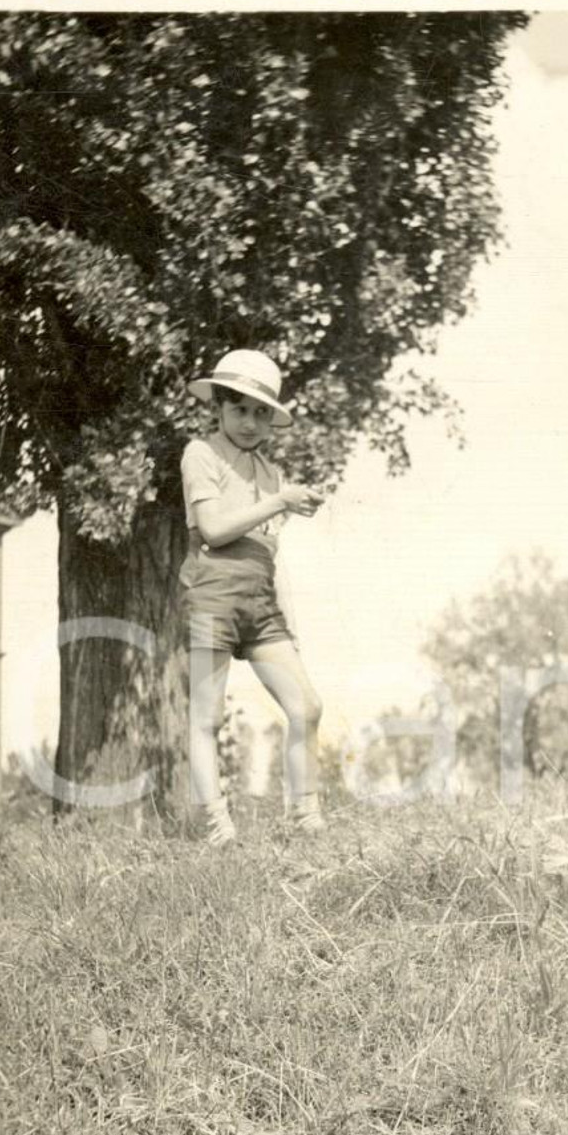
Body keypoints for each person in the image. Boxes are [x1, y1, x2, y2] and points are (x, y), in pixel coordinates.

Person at [179, 348, 327, 846]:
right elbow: (215, 528)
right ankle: (217, 827)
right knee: (207, 716)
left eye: (261, 412)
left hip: (260, 599)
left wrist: (291, 624)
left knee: (306, 706)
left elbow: (270, 551)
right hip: (213, 593)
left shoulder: (268, 472)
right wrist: (280, 500)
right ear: (218, 406)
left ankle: (305, 820)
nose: (249, 421)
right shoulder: (201, 453)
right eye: (239, 408)